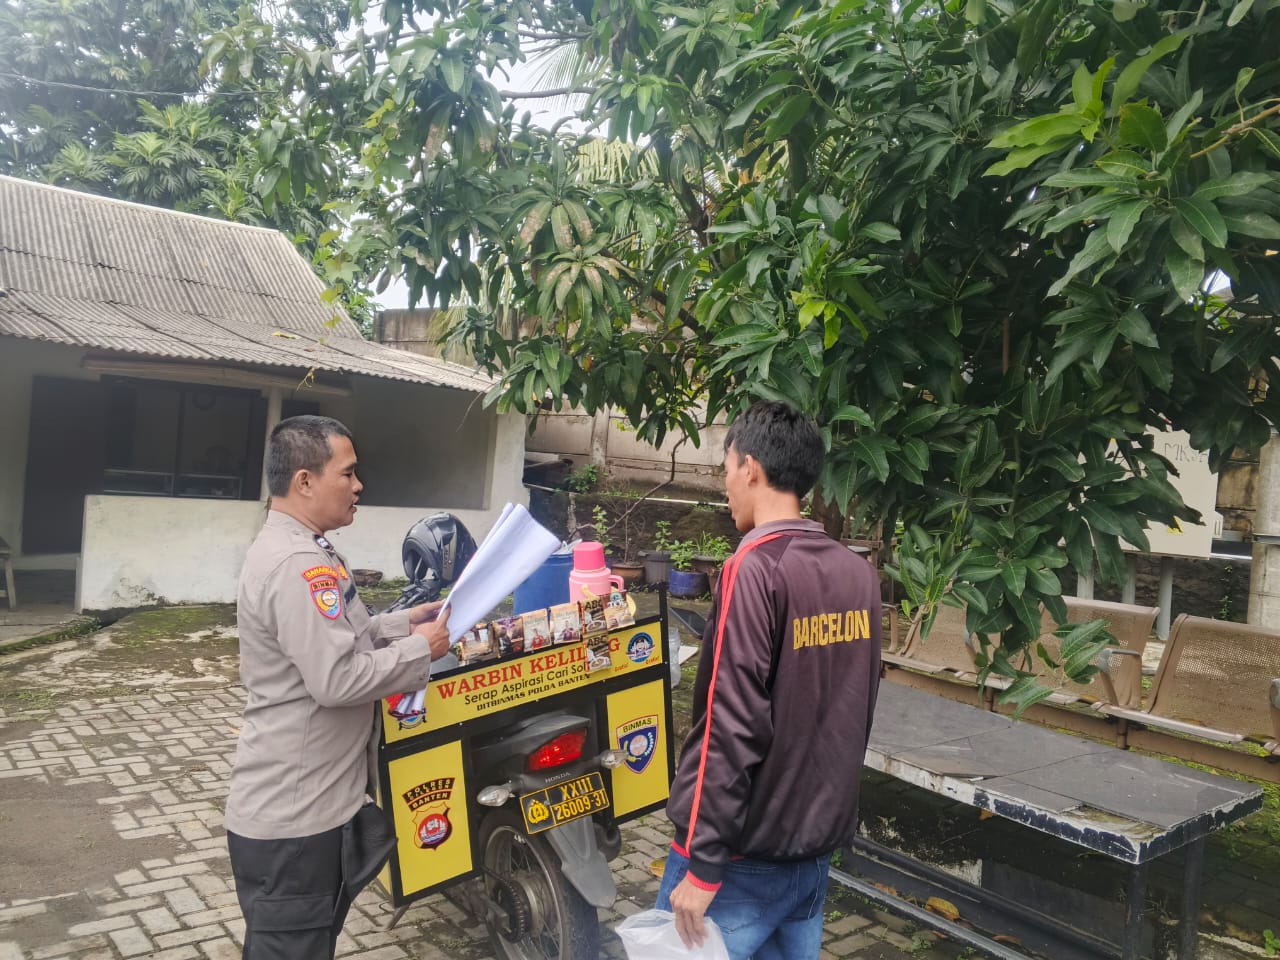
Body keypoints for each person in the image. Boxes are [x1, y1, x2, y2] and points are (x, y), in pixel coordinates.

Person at [656, 400, 883, 959]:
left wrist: (704, 863)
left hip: (741, 860)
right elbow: (855, 710)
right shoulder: (858, 575)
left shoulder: (753, 569)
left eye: (727, 469)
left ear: (751, 468)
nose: (726, 486)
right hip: (811, 854)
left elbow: (729, 726)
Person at [224, 415, 452, 960]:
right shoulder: (297, 563)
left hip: (312, 810)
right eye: (347, 474)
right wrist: (421, 650)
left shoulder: (311, 549)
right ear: (304, 481)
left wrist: (404, 623)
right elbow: (337, 678)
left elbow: (346, 638)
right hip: (294, 822)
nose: (358, 486)